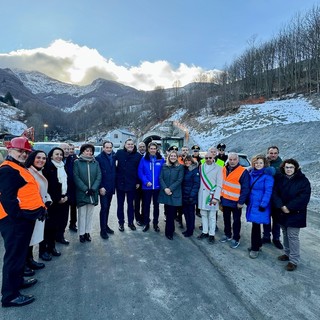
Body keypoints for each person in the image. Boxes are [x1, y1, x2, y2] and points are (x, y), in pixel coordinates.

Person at [0, 137, 46, 307]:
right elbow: (7, 199)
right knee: (13, 257)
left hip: (22, 220)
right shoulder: (7, 170)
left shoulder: (18, 168)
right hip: (14, 222)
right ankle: (10, 296)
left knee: (19, 256)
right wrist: (19, 218)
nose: (23, 154)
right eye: (19, 151)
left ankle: (18, 281)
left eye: (26, 152)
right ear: (10, 150)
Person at [272, 159, 311, 271]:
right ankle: (287, 253)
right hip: (282, 211)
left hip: (296, 213)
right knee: (285, 233)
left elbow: (304, 197)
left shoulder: (303, 181)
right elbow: (274, 193)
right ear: (283, 168)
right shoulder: (280, 178)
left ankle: (293, 260)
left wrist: (289, 207)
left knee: (293, 236)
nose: (289, 169)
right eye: (287, 167)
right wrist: (281, 205)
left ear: (296, 168)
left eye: (291, 167)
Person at [25, 150, 52, 270]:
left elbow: (44, 190)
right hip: (31, 210)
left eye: (44, 158)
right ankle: (25, 263)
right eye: (38, 158)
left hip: (40, 209)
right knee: (28, 238)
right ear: (32, 158)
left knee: (32, 237)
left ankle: (30, 260)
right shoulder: (28, 172)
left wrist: (48, 199)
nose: (41, 160)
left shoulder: (40, 171)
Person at [41, 147, 69, 259]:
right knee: (49, 226)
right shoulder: (48, 167)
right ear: (51, 156)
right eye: (56, 154)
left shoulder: (63, 166)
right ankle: (46, 249)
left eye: (61, 154)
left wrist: (66, 196)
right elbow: (49, 187)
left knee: (58, 224)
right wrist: (57, 199)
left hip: (63, 198)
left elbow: (67, 182)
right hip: (52, 201)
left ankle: (52, 247)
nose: (59, 156)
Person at [246, 155, 274, 259]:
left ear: (264, 164)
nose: (258, 165)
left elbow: (268, 191)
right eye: (256, 163)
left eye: (260, 163)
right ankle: (257, 245)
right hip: (252, 203)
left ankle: (255, 249)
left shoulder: (267, 176)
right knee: (255, 225)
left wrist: (263, 204)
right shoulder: (251, 173)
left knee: (256, 227)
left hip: (261, 205)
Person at [220, 152, 250, 249]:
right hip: (225, 200)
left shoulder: (243, 172)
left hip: (236, 202)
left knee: (236, 221)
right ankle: (227, 234)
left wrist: (241, 202)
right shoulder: (224, 169)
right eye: (230, 159)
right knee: (226, 219)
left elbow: (245, 188)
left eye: (234, 159)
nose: (232, 161)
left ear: (238, 160)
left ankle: (236, 238)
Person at [73, 144, 102, 243]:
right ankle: (81, 233)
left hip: (93, 193)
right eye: (87, 151)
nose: (89, 153)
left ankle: (87, 232)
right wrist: (85, 189)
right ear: (82, 151)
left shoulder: (95, 163)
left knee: (90, 214)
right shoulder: (77, 162)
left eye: (91, 151)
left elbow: (99, 176)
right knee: (82, 214)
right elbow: (76, 177)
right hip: (82, 193)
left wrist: (93, 189)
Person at [114, 139, 142, 231]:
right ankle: (121, 223)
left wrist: (138, 181)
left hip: (132, 184)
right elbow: (111, 162)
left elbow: (140, 170)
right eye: (128, 144)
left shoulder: (138, 156)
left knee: (131, 205)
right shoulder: (119, 153)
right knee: (120, 205)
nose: (130, 145)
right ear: (125, 145)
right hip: (120, 183)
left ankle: (130, 222)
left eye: (132, 144)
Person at [138, 142, 165, 232]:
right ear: (148, 149)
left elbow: (163, 172)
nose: (153, 150)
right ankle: (146, 223)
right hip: (147, 188)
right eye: (151, 148)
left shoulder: (161, 160)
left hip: (157, 187)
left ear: (156, 149)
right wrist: (145, 181)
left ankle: (155, 224)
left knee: (156, 206)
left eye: (154, 148)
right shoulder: (143, 159)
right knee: (146, 206)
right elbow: (140, 172)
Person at [158, 150, 184, 240]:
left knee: (172, 213)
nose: (173, 157)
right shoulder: (164, 166)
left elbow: (179, 180)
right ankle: (169, 231)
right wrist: (165, 188)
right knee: (168, 212)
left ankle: (169, 231)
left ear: (177, 157)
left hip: (174, 193)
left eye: (174, 156)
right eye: (171, 156)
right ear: (169, 157)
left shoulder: (180, 167)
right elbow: (160, 177)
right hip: (166, 192)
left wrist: (170, 189)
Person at [197, 152, 222, 243]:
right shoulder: (201, 167)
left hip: (212, 195)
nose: (208, 159)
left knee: (212, 216)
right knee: (203, 214)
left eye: (210, 157)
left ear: (213, 158)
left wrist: (216, 197)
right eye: (206, 158)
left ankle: (212, 234)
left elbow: (219, 184)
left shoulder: (218, 168)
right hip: (202, 194)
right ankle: (205, 231)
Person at [262, 146, 283, 249]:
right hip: (266, 196)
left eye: (275, 153)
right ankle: (266, 236)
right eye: (271, 153)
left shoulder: (282, 165)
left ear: (278, 154)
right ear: (268, 153)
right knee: (266, 217)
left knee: (276, 219)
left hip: (277, 196)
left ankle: (276, 238)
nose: (273, 155)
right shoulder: (264, 163)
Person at [96, 141, 116, 239]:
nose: (108, 149)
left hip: (111, 187)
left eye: (110, 147)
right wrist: (100, 187)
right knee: (104, 208)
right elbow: (97, 174)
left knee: (108, 207)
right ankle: (102, 230)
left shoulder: (114, 157)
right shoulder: (99, 158)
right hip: (103, 188)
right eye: (107, 147)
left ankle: (106, 226)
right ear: (103, 148)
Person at [181, 155, 200, 237]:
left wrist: (192, 195)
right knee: (186, 213)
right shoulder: (185, 170)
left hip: (191, 196)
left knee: (191, 214)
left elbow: (196, 184)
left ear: (192, 161)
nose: (187, 162)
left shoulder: (195, 170)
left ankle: (190, 230)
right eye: (186, 161)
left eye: (189, 161)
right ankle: (188, 229)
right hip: (184, 195)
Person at [67, 143, 78, 232]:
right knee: (64, 208)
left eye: (72, 149)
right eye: (69, 149)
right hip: (65, 187)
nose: (70, 150)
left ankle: (73, 223)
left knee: (73, 207)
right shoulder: (63, 159)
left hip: (74, 187)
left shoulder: (76, 159)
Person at [135, 141, 147, 226]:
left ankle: (144, 217)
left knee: (145, 202)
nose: (142, 148)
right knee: (136, 203)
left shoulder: (148, 156)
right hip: (137, 184)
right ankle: (138, 218)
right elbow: (134, 171)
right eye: (140, 147)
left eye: (143, 146)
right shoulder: (135, 156)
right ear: (138, 147)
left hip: (146, 184)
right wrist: (137, 182)